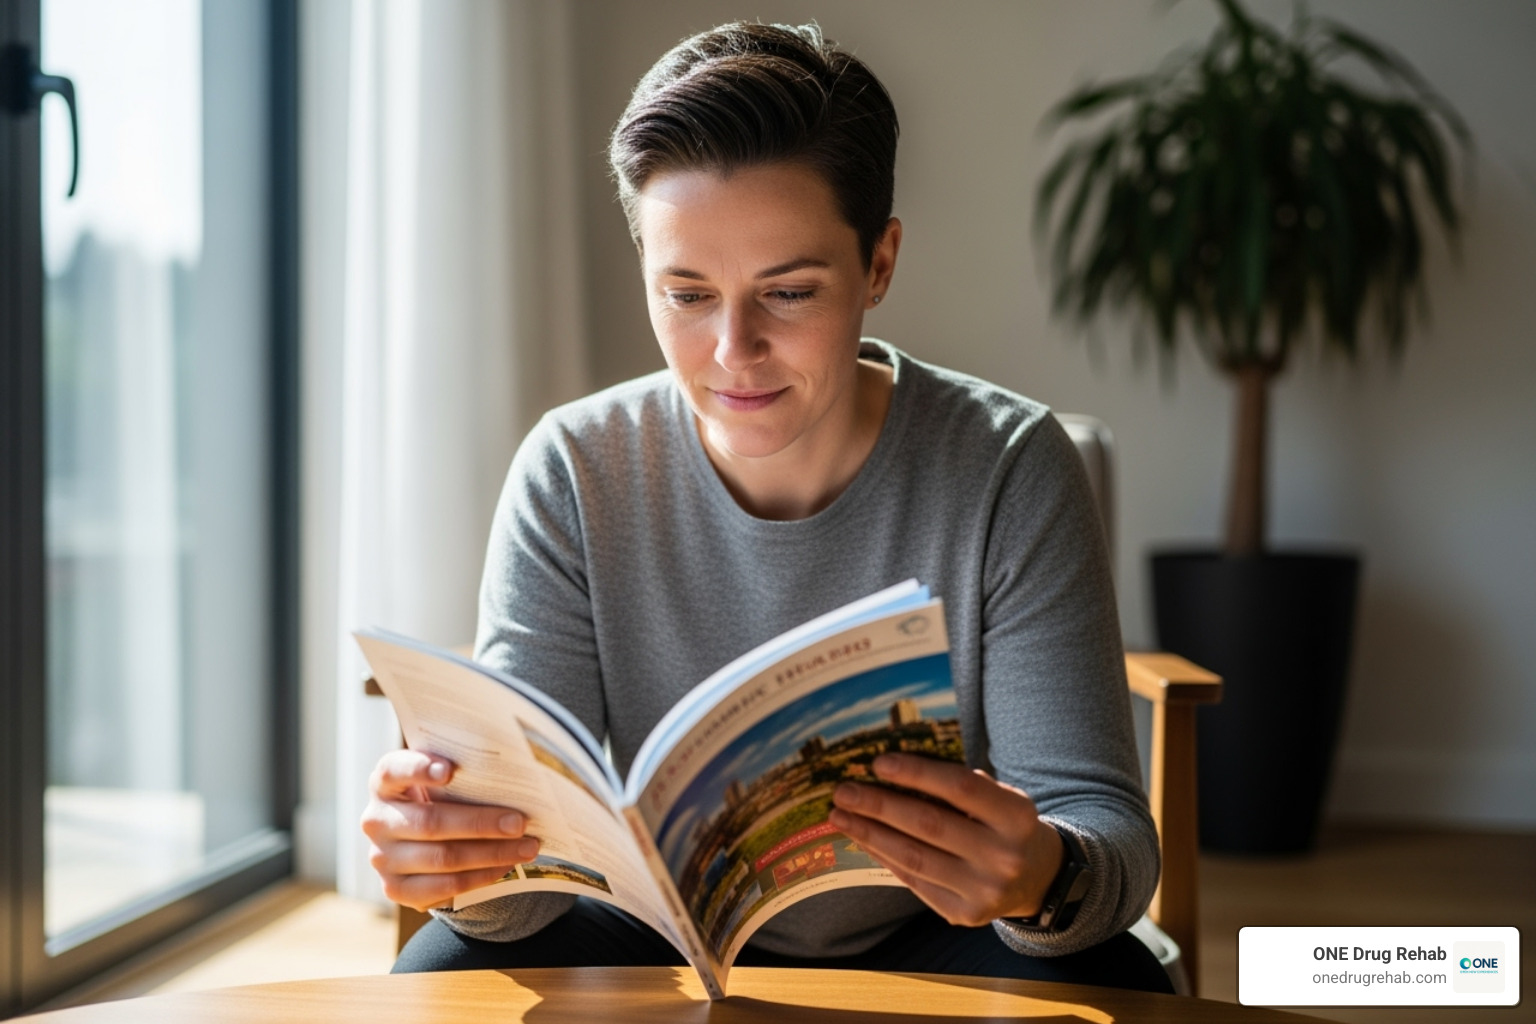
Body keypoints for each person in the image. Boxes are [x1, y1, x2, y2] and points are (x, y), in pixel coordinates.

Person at [362, 21, 1171, 994]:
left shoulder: (1007, 465)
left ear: (879, 263)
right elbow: (526, 899)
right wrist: (467, 863)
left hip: (936, 929)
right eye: (687, 293)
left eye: (787, 291)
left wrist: (1044, 873)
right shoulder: (574, 469)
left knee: (1119, 976)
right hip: (647, 929)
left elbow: (1107, 833)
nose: (731, 349)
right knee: (441, 971)